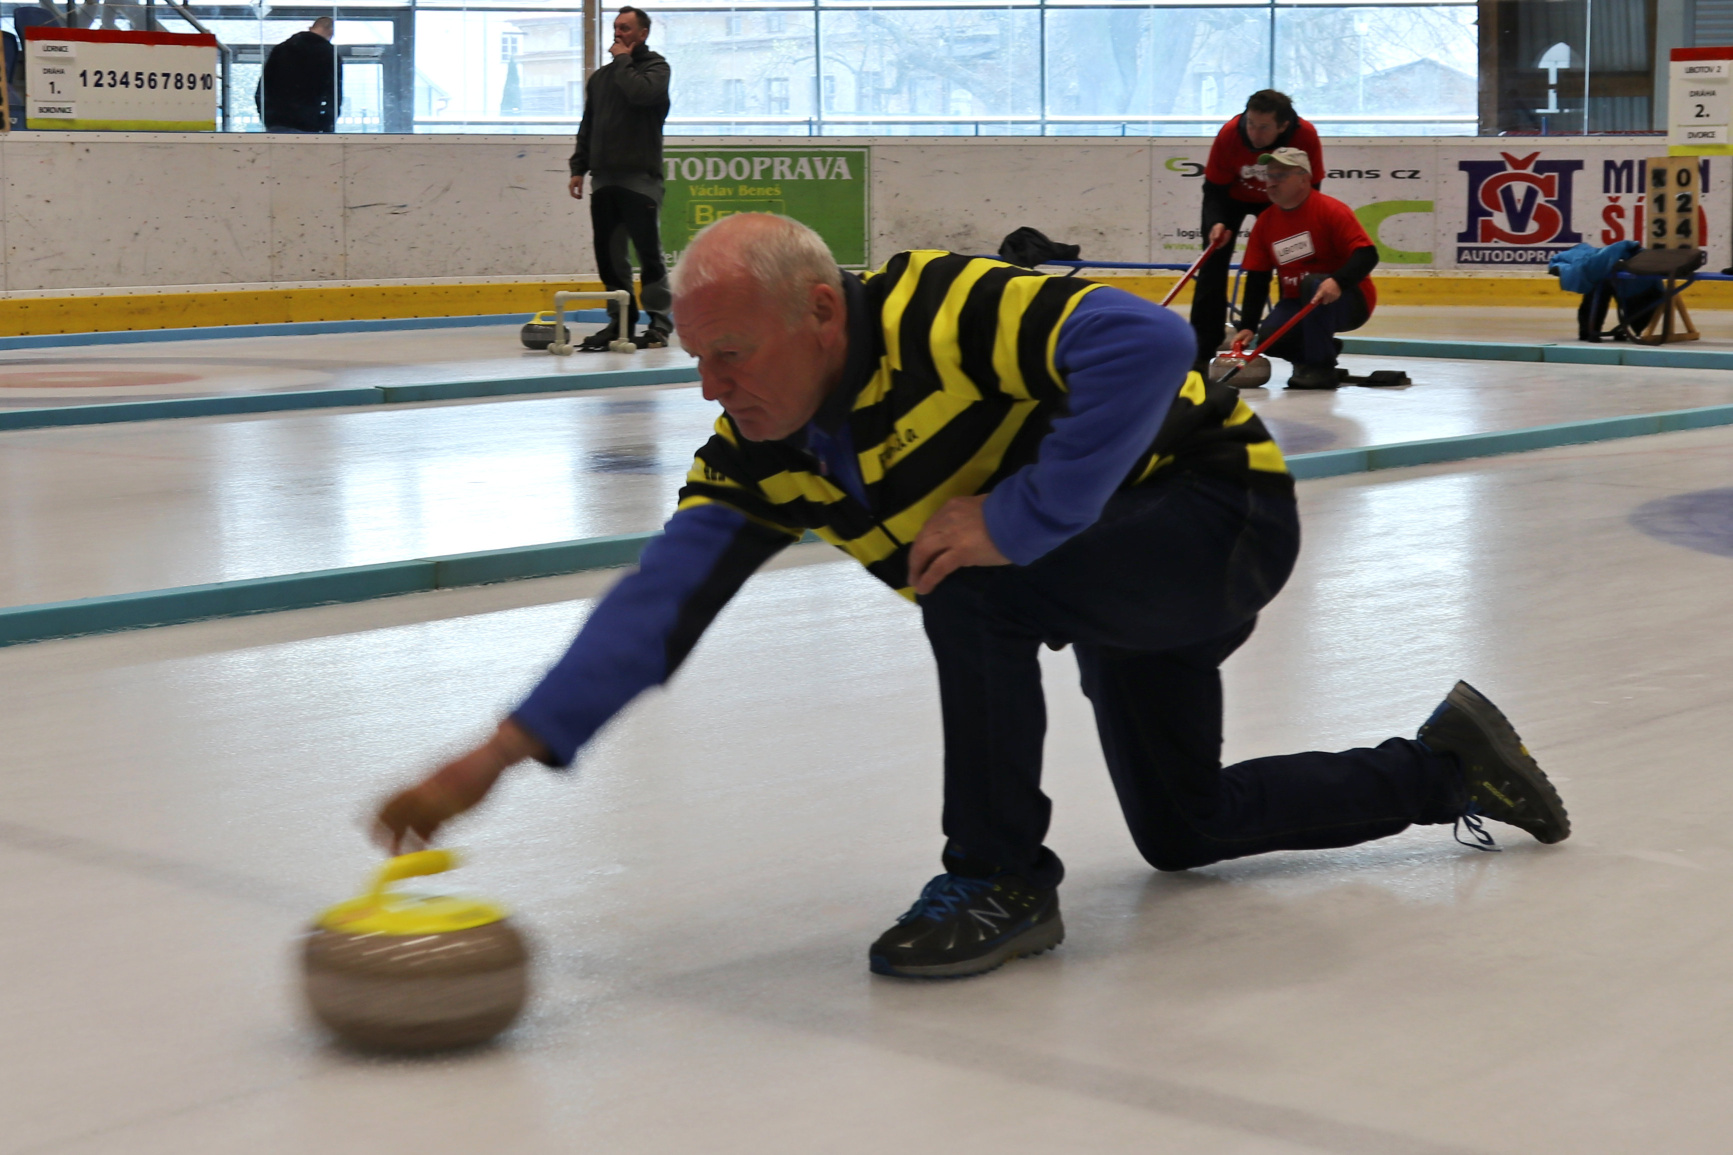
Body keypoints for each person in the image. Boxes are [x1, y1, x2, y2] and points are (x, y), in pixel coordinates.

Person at [373, 213, 1570, 981]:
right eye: (696, 359)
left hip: (1214, 514)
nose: (709, 389)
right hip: (1108, 572)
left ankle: (998, 876)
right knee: (1183, 828)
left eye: (730, 354)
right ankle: (1446, 766)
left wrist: (1013, 518)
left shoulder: (934, 309)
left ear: (820, 313)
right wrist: (503, 751)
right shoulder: (760, 455)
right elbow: (659, 604)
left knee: (962, 578)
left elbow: (1145, 348)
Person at [1191, 90, 1324, 373]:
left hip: (1280, 198)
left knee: (1291, 264)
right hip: (1230, 199)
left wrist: (1295, 222)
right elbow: (1214, 188)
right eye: (1250, 123)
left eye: (1263, 127)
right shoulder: (1230, 133)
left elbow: (1310, 188)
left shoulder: (1305, 135)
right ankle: (1201, 349)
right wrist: (1217, 222)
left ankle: (1297, 346)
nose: (1254, 133)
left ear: (1283, 125)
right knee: (1212, 263)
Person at [567, 6, 672, 350]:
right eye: (615, 27)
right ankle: (620, 321)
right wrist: (578, 167)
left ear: (643, 33)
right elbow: (588, 125)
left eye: (625, 28)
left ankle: (659, 324)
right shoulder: (600, 79)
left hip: (640, 179)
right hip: (604, 179)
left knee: (648, 254)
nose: (617, 33)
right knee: (609, 257)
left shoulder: (656, 69)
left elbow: (640, 94)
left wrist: (624, 59)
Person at [1231, 147, 1379, 390]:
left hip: (1346, 299)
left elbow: (1367, 255)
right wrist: (1248, 325)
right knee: (1270, 339)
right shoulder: (1266, 222)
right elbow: (1258, 276)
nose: (1271, 183)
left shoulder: (1331, 210)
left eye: (1280, 175)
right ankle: (1318, 352)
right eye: (1269, 175)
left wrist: (1337, 282)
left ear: (1303, 179)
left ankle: (1321, 368)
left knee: (1313, 283)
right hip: (1297, 302)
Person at [256, 17, 339, 134]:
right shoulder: (330, 55)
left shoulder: (281, 50)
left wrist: (268, 118)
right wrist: (326, 125)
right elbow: (334, 95)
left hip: (278, 122)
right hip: (310, 123)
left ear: (310, 28)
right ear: (331, 32)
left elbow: (263, 89)